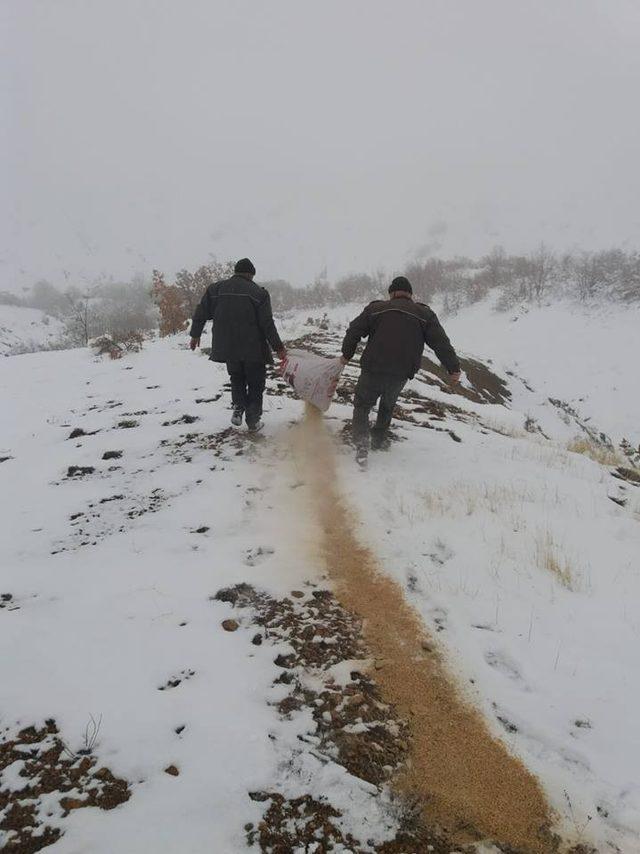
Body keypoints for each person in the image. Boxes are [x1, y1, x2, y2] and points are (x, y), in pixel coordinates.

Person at [341, 276, 461, 465]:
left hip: (373, 367)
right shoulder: (424, 314)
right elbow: (441, 343)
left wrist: (346, 355)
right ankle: (379, 441)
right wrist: (453, 368)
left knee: (362, 405)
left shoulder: (375, 309)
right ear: (410, 294)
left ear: (391, 293)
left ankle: (362, 445)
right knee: (387, 406)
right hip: (400, 373)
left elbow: (353, 330)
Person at [189, 258, 286, 432]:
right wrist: (279, 348)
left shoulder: (215, 289)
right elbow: (267, 323)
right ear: (250, 274)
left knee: (237, 377)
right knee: (256, 382)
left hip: (228, 347)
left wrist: (195, 334)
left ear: (236, 272)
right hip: (253, 348)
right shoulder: (259, 293)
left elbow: (201, 311)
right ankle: (253, 420)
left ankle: (239, 407)